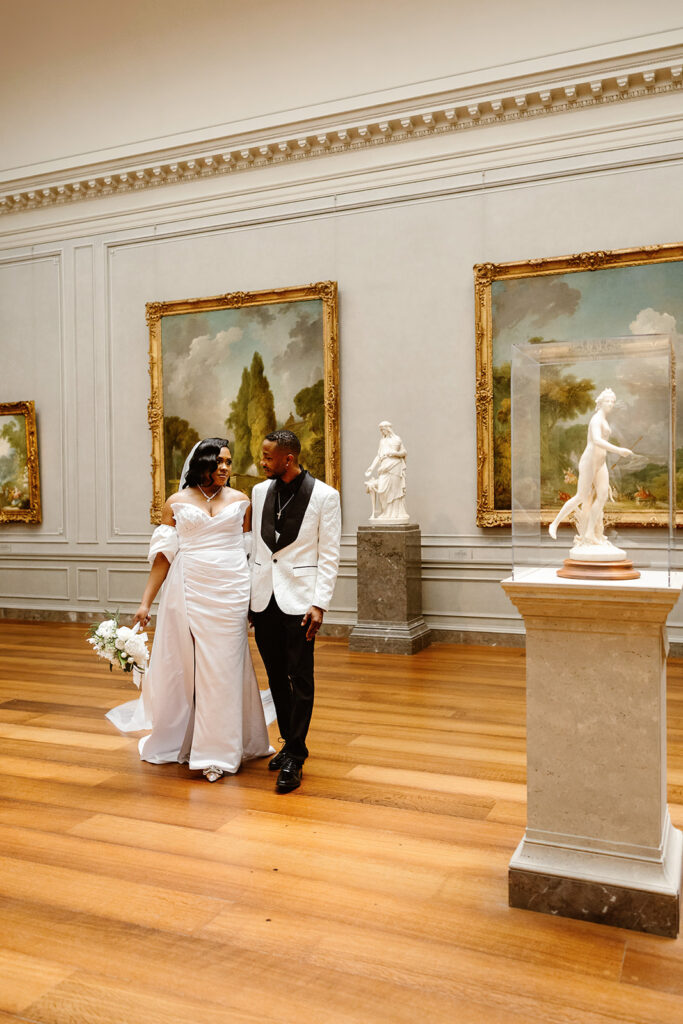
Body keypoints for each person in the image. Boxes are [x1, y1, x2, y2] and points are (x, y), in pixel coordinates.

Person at [106, 437, 272, 782]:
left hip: (231, 590)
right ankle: (187, 738)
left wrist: (255, 599)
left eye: (229, 461)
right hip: (189, 587)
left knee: (224, 667)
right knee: (187, 666)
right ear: (203, 463)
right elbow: (164, 556)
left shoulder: (242, 501)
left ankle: (219, 752)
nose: (226, 467)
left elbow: (249, 552)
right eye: (220, 461)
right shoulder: (176, 502)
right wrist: (145, 602)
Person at [250, 429, 341, 793]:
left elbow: (329, 555)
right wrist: (248, 597)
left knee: (300, 677)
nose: (262, 461)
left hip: (301, 601)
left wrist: (320, 604)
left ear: (288, 459)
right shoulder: (259, 492)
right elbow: (256, 550)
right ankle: (290, 742)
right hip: (263, 599)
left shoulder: (325, 496)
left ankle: (297, 757)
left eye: (267, 456)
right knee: (274, 676)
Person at [548, 389, 633, 547]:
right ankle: (554, 524)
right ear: (600, 402)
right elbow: (596, 440)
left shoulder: (604, 420)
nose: (610, 404)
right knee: (581, 496)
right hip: (589, 461)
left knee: (602, 496)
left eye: (613, 402)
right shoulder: (596, 419)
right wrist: (619, 450)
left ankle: (589, 534)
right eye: (608, 401)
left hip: (600, 463)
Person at [364, 421, 409, 521]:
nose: (381, 432)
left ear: (388, 429)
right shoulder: (382, 441)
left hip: (395, 466)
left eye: (382, 430)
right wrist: (371, 467)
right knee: (383, 491)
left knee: (395, 490)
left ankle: (395, 514)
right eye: (380, 430)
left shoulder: (397, 439)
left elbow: (404, 452)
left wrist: (394, 453)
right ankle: (385, 513)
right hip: (384, 467)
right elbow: (378, 455)